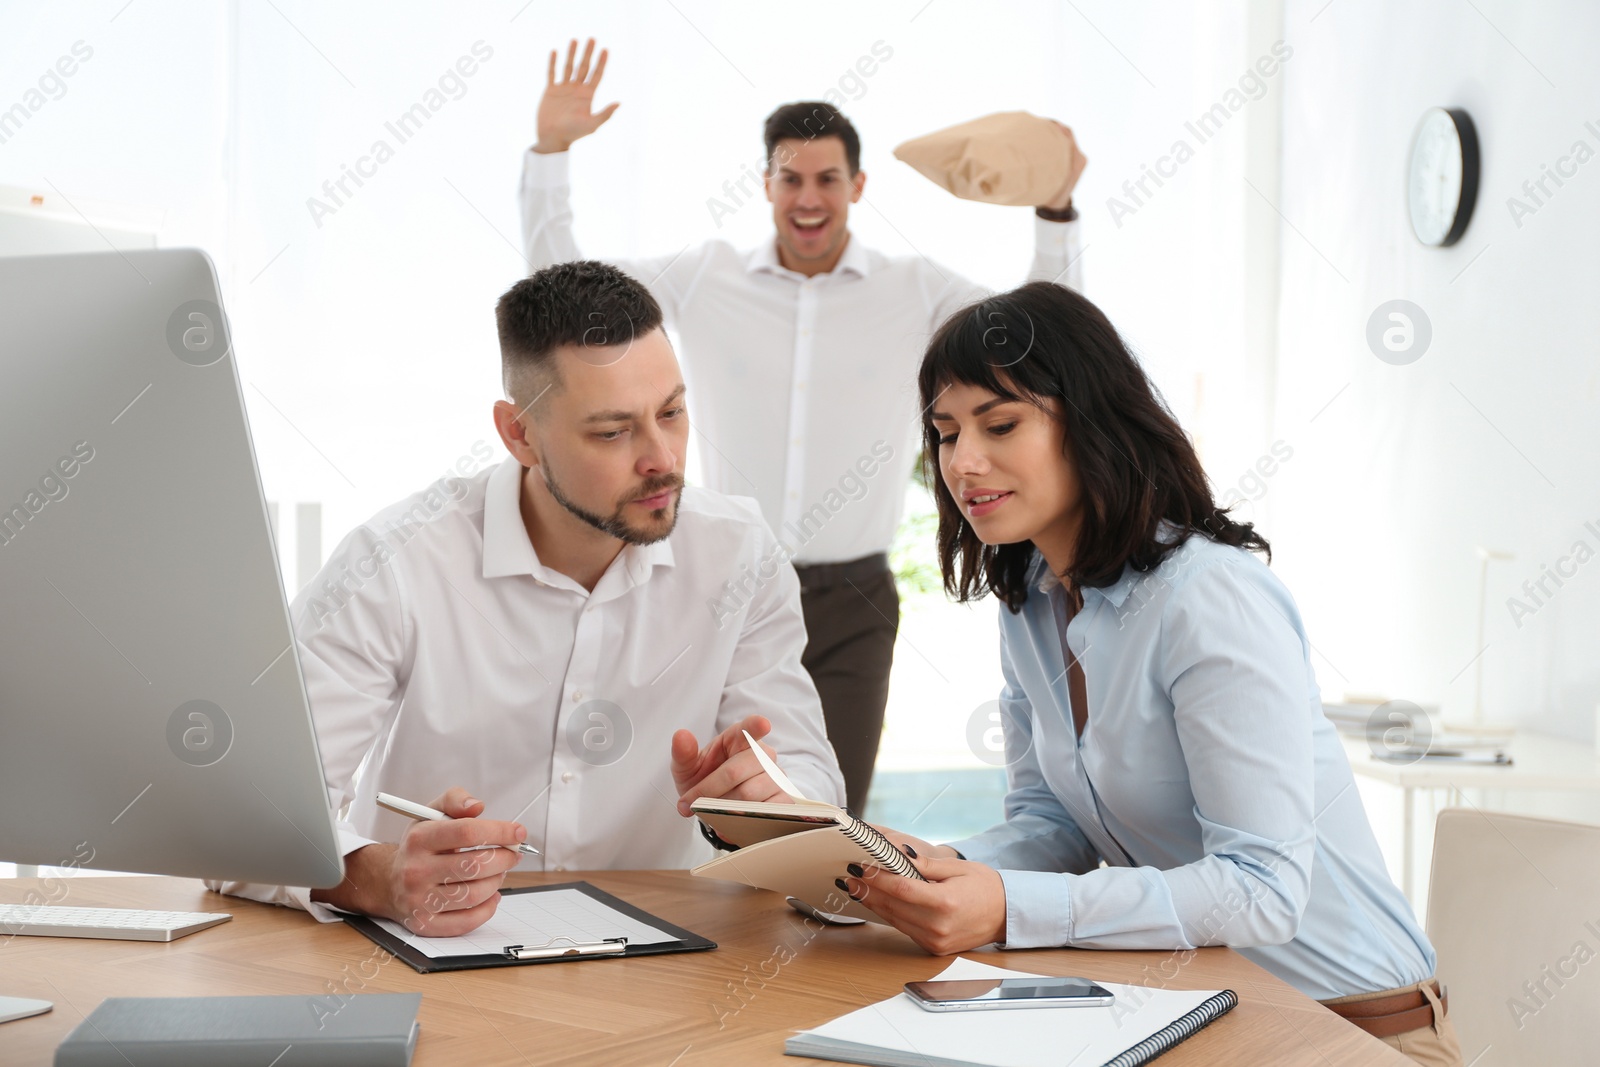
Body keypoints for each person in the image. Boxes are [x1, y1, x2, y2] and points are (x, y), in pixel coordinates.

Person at [843, 282, 1463, 1066]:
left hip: (1355, 1032)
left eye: (1000, 424)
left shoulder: (1209, 598)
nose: (962, 462)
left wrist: (1011, 907)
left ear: (1091, 424)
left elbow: (1261, 887)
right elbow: (1056, 827)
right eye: (943, 432)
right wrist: (934, 867)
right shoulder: (1030, 603)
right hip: (1202, 1021)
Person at [519, 37, 1088, 814]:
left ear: (858, 184)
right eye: (791, 178)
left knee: (830, 818)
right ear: (766, 184)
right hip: (722, 580)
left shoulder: (911, 287)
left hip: (853, 595)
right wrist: (550, 155)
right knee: (701, 800)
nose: (808, 197)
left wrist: (1055, 208)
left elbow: (1044, 338)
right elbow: (569, 303)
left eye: (827, 178)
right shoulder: (707, 275)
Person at [207, 260, 845, 936]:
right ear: (519, 434)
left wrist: (772, 806)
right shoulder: (394, 562)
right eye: (612, 431)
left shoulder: (739, 556)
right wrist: (380, 876)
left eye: (672, 413)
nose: (662, 457)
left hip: (665, 964)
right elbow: (242, 822)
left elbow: (811, 780)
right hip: (429, 962)